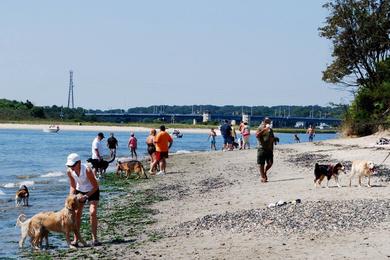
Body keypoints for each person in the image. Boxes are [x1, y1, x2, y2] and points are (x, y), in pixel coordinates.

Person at [66, 153, 101, 247]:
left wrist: (86, 197)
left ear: (79, 162)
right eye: (69, 165)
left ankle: (95, 238)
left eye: (73, 165)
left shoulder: (87, 170)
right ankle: (76, 239)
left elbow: (96, 186)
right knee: (77, 214)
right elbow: (73, 185)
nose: (71, 167)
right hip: (79, 190)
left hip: (92, 190)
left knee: (92, 212)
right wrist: (71, 197)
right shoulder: (69, 171)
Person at [256, 117, 275, 183]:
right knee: (261, 164)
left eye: (269, 121)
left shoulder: (270, 129)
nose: (268, 122)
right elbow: (257, 135)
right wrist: (264, 130)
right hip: (261, 148)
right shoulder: (260, 127)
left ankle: (265, 171)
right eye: (266, 121)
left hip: (269, 149)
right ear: (263, 121)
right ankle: (263, 177)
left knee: (270, 163)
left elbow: (272, 139)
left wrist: (272, 148)